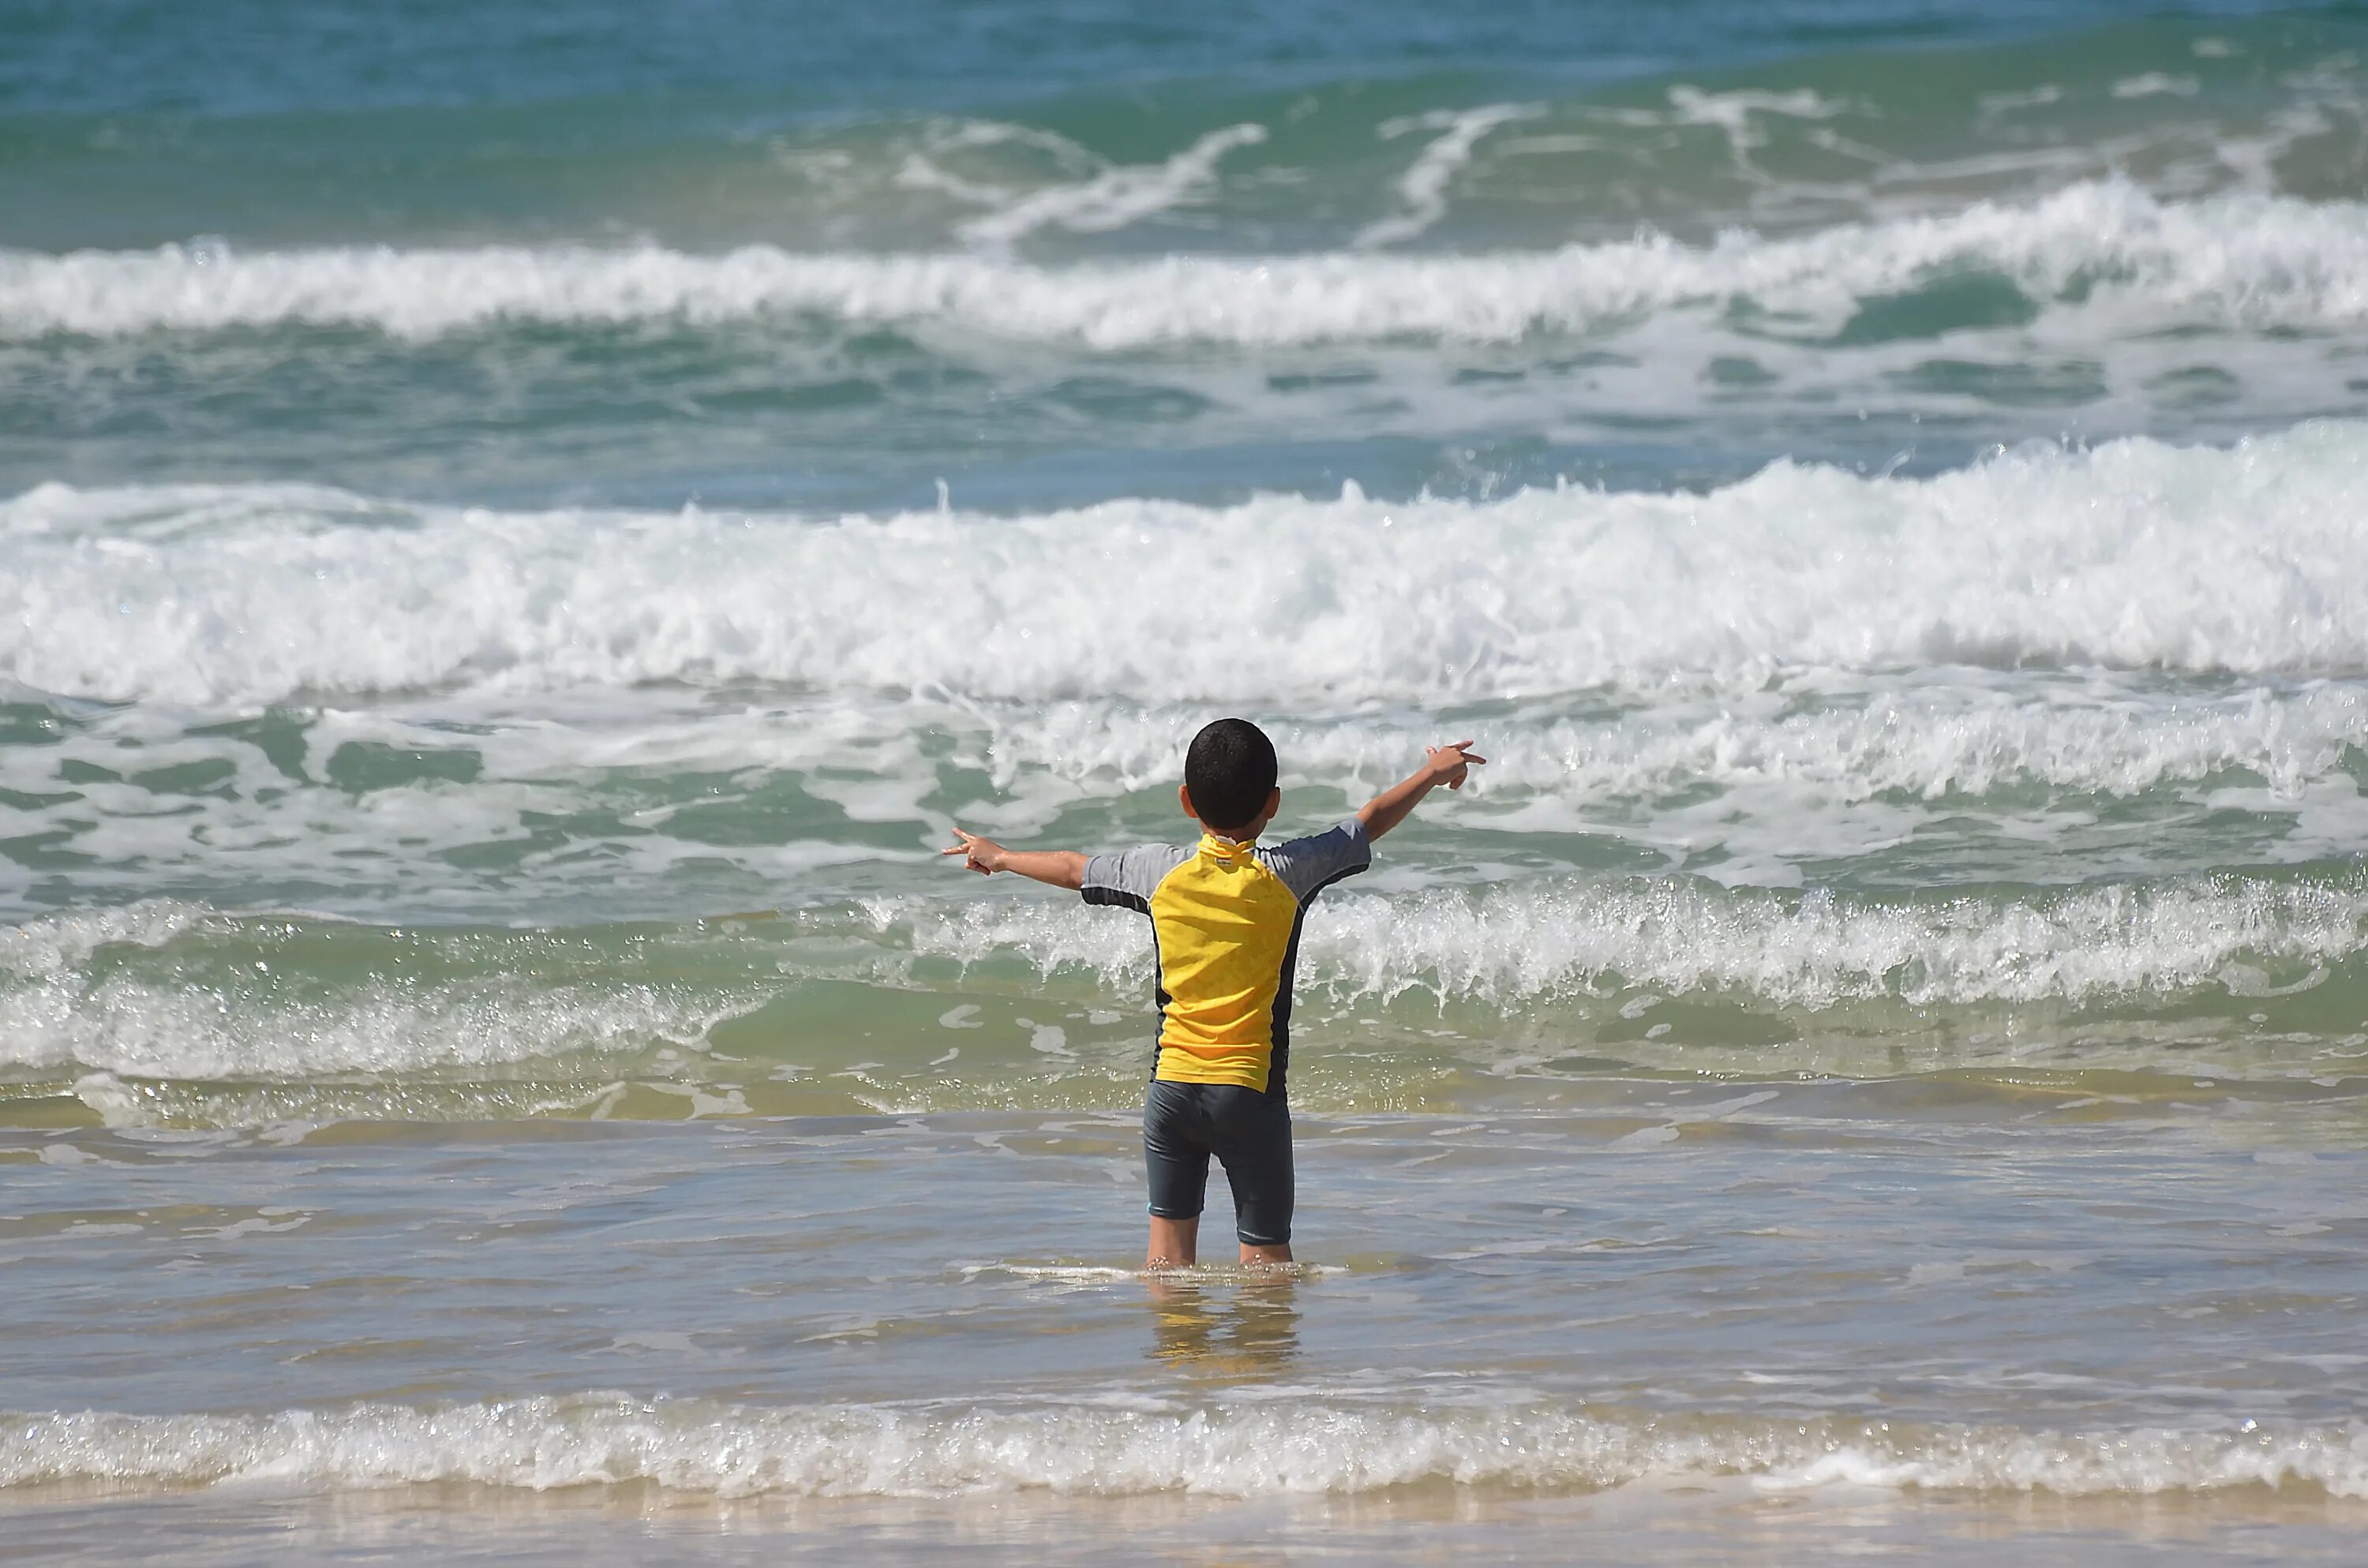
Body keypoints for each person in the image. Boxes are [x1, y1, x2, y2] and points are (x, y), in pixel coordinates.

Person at [942, 719, 1484, 1269]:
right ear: (1272, 803)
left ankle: (1176, 1353)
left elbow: (1072, 868)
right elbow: (1368, 822)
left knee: (1168, 1264)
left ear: (1186, 800)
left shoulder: (1157, 872)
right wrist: (1433, 771)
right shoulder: (1289, 873)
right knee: (1267, 1263)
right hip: (1249, 1095)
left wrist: (1001, 855)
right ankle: (1261, 1353)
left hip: (1171, 1091)